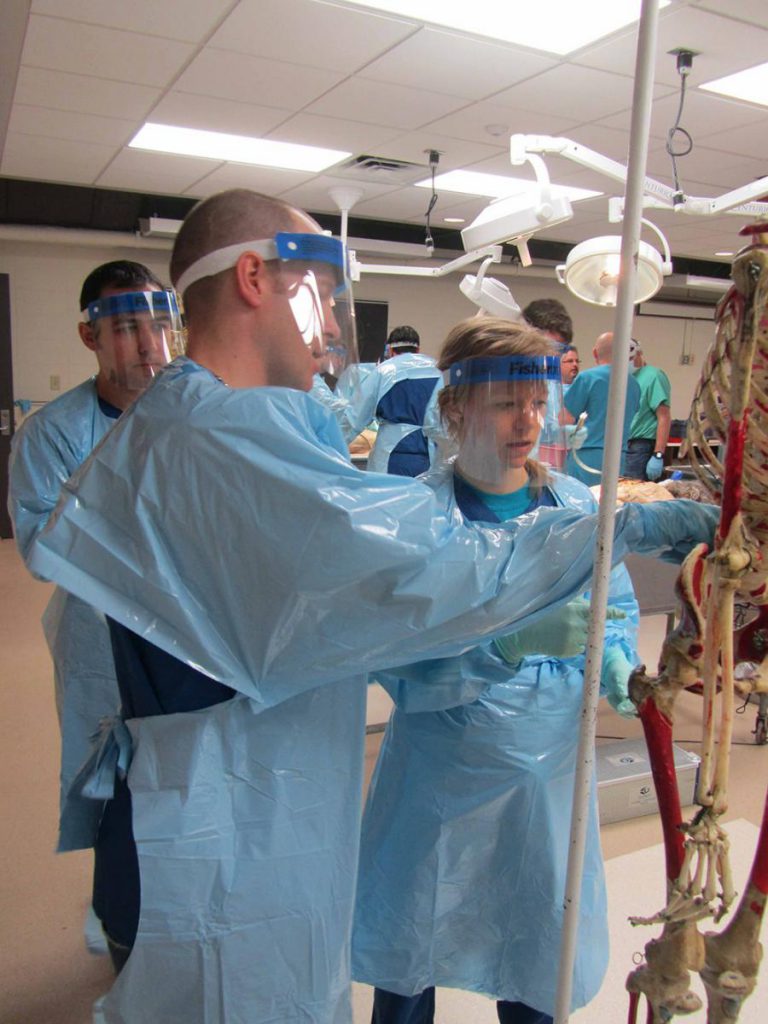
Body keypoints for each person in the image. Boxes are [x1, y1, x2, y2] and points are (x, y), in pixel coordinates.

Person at [27, 188, 718, 1024]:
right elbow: (420, 568)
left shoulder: (215, 423)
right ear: (256, 279)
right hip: (226, 830)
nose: (330, 327)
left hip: (233, 808)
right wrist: (636, 523)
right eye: (320, 287)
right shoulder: (217, 439)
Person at [352, 317, 639, 1024]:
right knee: (413, 946)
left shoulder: (574, 508)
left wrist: (617, 659)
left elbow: (618, 607)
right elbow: (396, 663)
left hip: (548, 782)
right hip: (441, 778)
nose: (527, 421)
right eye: (508, 402)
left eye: (537, 403)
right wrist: (504, 643)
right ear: (456, 407)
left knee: (537, 941)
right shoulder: (417, 519)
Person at [8, 260, 181, 853]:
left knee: (186, 771)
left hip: (190, 626)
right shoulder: (51, 434)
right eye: (129, 327)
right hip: (98, 633)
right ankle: (119, 911)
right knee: (108, 773)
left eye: (159, 326)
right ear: (92, 336)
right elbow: (40, 547)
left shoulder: (197, 417)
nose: (148, 345)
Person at [313, 324, 442, 476]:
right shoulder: (439, 370)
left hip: (394, 454)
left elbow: (355, 418)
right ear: (418, 350)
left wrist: (329, 447)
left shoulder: (385, 370)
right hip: (432, 454)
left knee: (391, 497)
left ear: (391, 351)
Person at [562, 330, 641, 483]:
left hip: (585, 457)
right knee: (609, 504)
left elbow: (564, 419)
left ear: (594, 352)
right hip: (619, 458)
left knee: (581, 503)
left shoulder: (587, 378)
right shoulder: (633, 384)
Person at [522, 298, 575, 468]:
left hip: (533, 469)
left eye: (561, 350)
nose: (554, 355)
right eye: (550, 346)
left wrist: (562, 434)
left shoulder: (549, 379)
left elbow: (546, 427)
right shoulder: (507, 377)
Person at [626, 340, 672, 481]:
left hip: (642, 447)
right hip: (625, 445)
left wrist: (658, 455)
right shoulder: (626, 379)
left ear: (639, 353)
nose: (627, 363)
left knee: (636, 495)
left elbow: (664, 417)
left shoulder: (654, 376)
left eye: (630, 359)